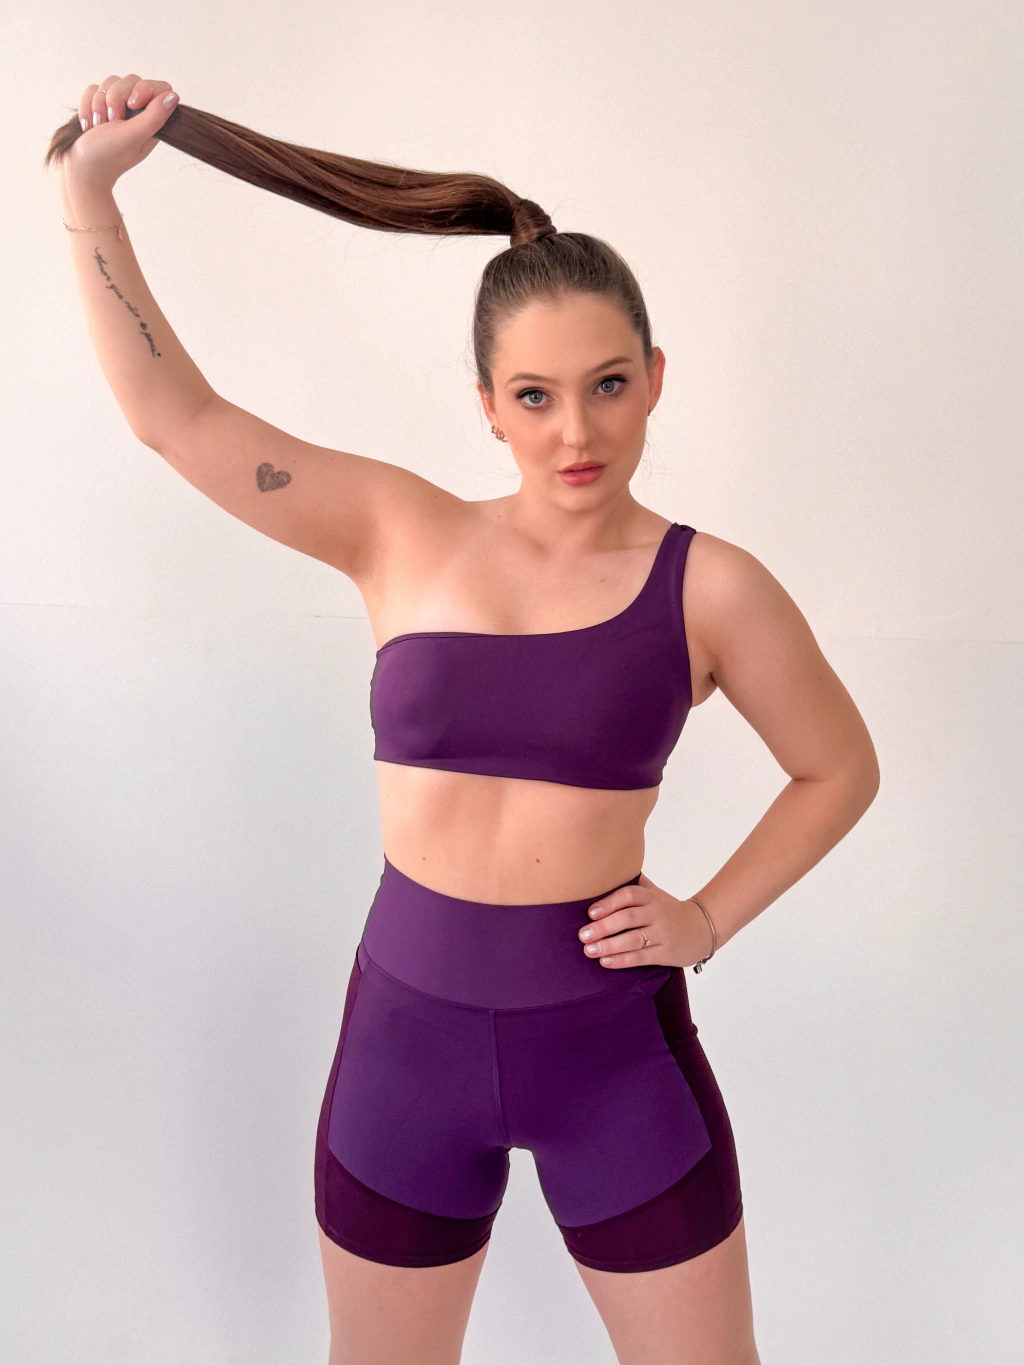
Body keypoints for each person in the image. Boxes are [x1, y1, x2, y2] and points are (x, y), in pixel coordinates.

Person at [48, 75, 880, 1365]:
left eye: (609, 385)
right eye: (535, 396)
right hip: (405, 1055)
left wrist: (707, 918)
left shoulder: (712, 587)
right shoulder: (400, 532)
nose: (576, 431)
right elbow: (180, 420)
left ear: (655, 380)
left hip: (614, 1060)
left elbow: (838, 768)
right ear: (488, 403)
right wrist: (89, 202)